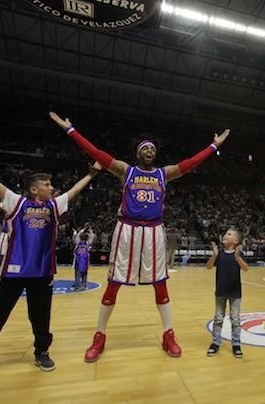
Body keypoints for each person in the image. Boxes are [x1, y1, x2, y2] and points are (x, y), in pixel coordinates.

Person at [49, 111, 230, 361]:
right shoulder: (126, 171)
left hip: (154, 231)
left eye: (153, 150)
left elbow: (190, 163)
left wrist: (213, 146)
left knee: (160, 283)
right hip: (127, 229)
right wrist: (71, 130)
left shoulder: (163, 174)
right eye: (145, 149)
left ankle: (168, 334)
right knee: (114, 283)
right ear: (138, 154)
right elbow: (97, 153)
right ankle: (99, 336)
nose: (150, 152)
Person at [0, 136, 100, 386]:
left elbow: (73, 192)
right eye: (47, 184)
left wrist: (91, 175)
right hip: (13, 271)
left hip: (42, 272)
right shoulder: (17, 202)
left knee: (41, 317)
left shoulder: (54, 206)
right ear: (34, 189)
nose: (51, 187)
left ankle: (41, 352)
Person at [205, 228, 249, 358]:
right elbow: (208, 267)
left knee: (235, 319)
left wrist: (237, 257)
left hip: (235, 292)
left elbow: (246, 268)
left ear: (235, 241)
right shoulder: (220, 254)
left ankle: (236, 344)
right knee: (218, 318)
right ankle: (215, 343)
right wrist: (214, 254)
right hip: (220, 291)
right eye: (225, 233)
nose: (225, 235)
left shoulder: (238, 254)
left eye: (229, 234)